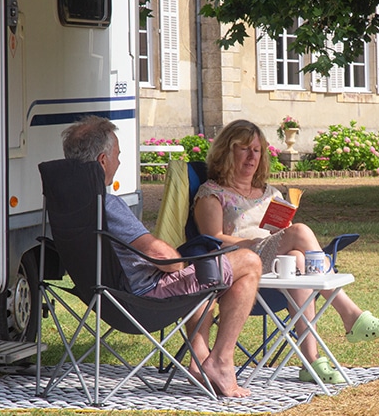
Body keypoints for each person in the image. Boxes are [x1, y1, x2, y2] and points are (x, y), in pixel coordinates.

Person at [61, 116, 262, 398]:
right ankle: (221, 362)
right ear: (103, 160)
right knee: (248, 262)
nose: (119, 162)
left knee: (213, 276)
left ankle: (202, 361)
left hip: (103, 295)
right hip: (146, 298)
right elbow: (161, 254)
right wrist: (180, 266)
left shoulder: (69, 206)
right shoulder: (107, 204)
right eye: (118, 156)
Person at [193, 119, 379, 384]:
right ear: (226, 152)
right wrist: (251, 243)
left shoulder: (270, 193)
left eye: (257, 150)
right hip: (240, 265)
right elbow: (213, 240)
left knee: (297, 257)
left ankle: (310, 361)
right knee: (299, 232)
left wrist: (282, 230)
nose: (252, 156)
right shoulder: (212, 193)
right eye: (244, 149)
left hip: (275, 267)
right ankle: (351, 315)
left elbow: (281, 231)